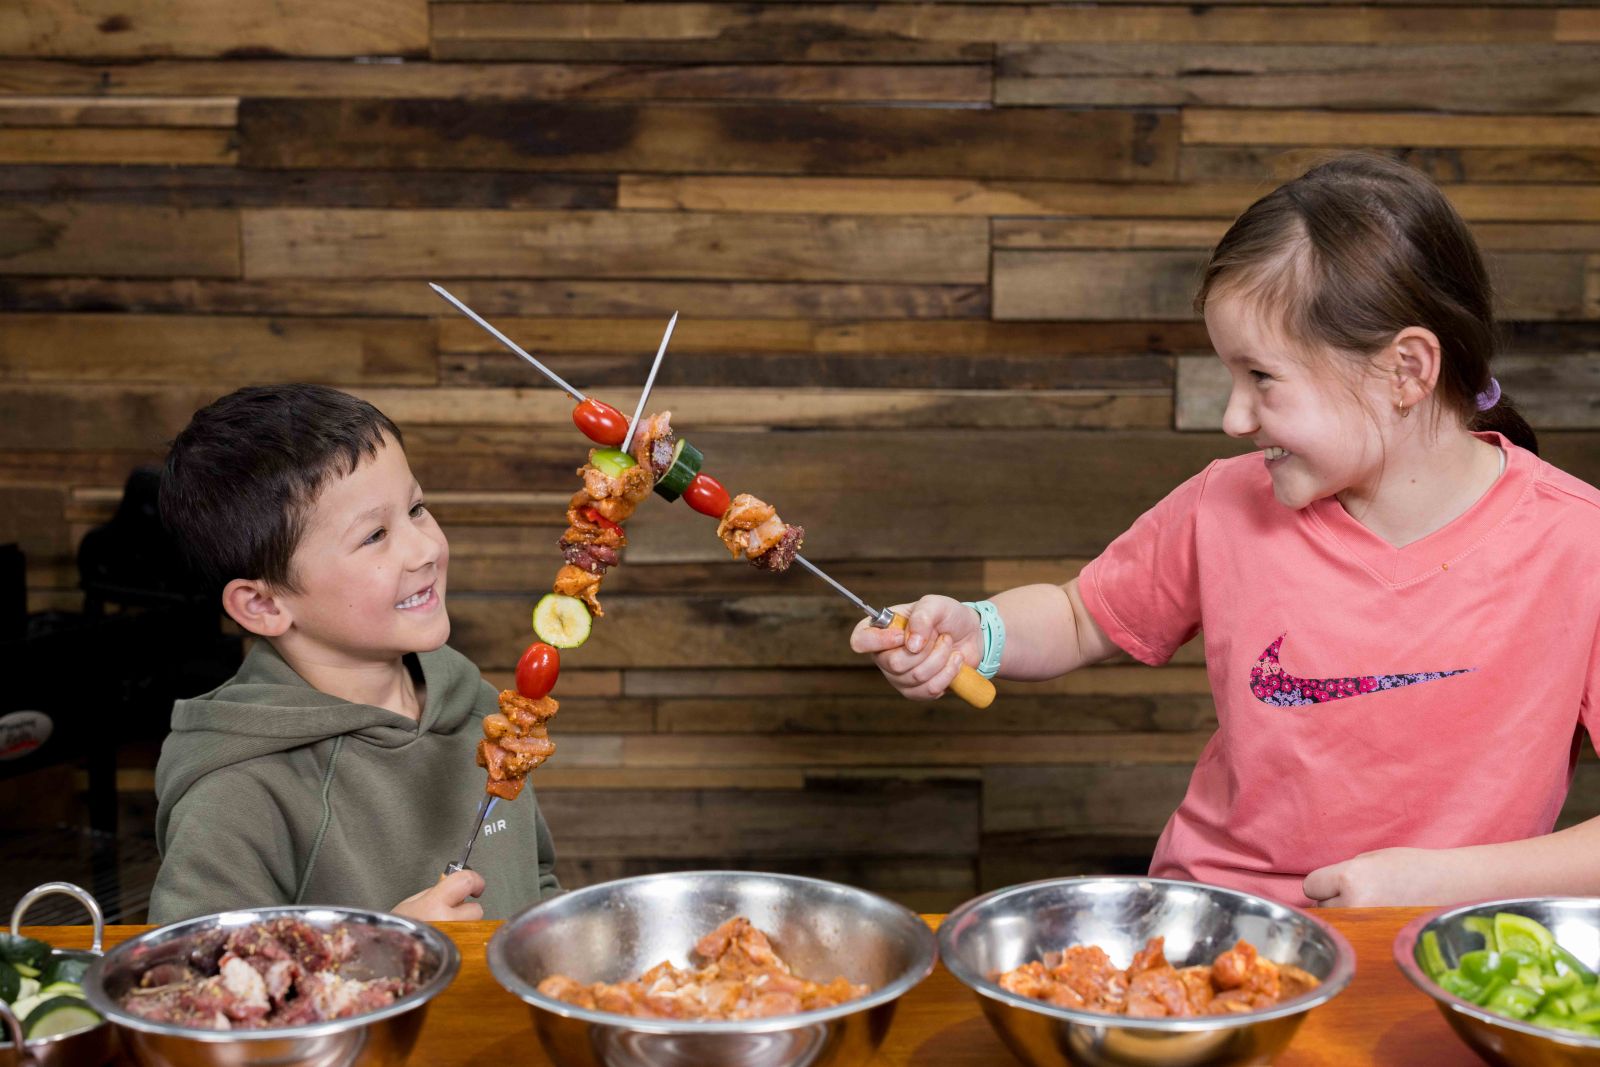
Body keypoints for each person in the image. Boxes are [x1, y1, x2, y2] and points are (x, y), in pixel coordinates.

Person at [854, 154, 1600, 908]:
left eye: (1263, 379)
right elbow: (1081, 615)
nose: (1234, 418)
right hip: (1216, 924)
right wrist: (974, 630)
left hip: (1440, 955)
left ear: (1406, 370)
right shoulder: (1224, 501)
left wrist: (1430, 884)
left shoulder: (1581, 548)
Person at [148, 384, 560, 923]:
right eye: (374, 536)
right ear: (263, 604)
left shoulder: (481, 711)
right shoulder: (238, 790)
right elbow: (192, 987)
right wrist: (384, 949)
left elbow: (536, 880)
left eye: (416, 508)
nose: (425, 548)